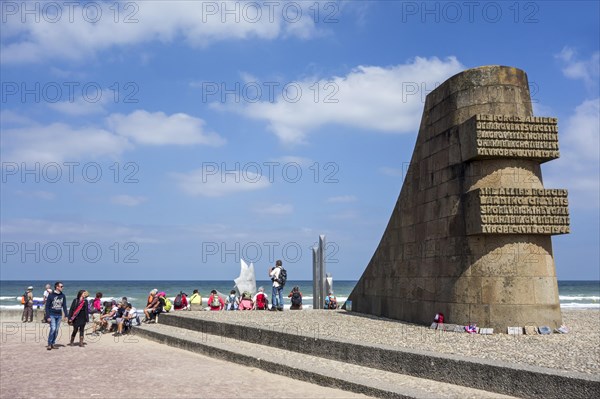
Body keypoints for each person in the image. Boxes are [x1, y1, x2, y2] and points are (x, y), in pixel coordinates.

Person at [45, 281, 68, 350]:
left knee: (57, 330)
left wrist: (66, 315)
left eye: (62, 286)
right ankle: (49, 344)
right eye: (61, 286)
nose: (62, 287)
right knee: (53, 329)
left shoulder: (63, 295)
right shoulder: (51, 295)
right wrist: (48, 316)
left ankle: (53, 343)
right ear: (57, 287)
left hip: (59, 315)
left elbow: (64, 306)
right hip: (52, 314)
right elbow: (47, 306)